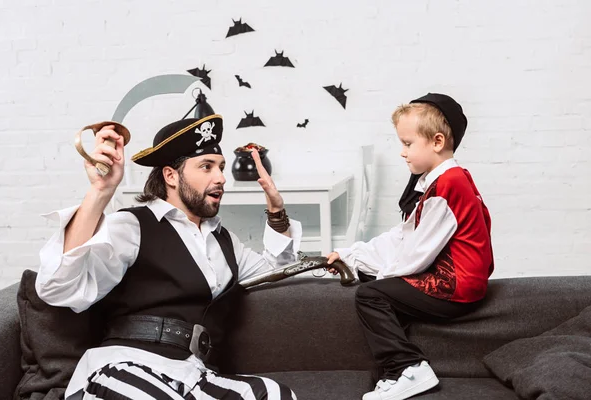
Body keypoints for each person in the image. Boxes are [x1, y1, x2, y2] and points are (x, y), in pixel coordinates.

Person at [36, 109, 301, 400]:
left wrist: (276, 212)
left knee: (274, 394)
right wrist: (101, 191)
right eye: (207, 167)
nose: (221, 178)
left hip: (194, 374)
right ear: (171, 176)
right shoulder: (132, 225)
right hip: (126, 366)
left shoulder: (225, 241)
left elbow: (278, 269)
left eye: (222, 167)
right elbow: (57, 287)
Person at [327, 93, 494, 400]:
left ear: (437, 141)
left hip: (457, 285)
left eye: (407, 143)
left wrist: (380, 279)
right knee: (371, 280)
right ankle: (393, 368)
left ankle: (410, 368)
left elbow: (416, 253)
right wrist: (353, 257)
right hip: (451, 279)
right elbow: (403, 237)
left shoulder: (449, 184)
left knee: (371, 294)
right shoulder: (440, 181)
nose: (402, 153)